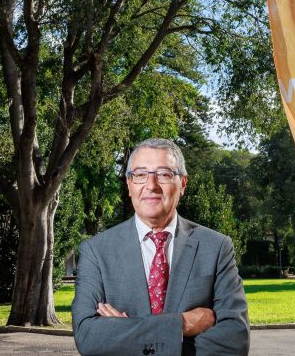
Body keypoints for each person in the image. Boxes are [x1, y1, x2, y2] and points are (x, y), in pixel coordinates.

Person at [73, 138, 249, 355]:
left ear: (183, 183)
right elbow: (88, 338)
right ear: (129, 185)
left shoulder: (216, 247)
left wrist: (127, 333)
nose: (151, 186)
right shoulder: (96, 251)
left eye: (164, 174)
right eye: (140, 175)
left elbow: (235, 341)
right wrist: (181, 325)